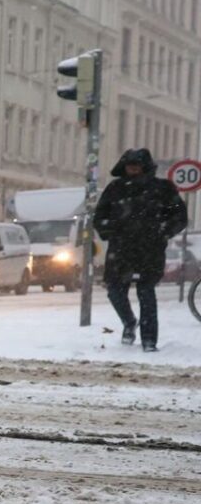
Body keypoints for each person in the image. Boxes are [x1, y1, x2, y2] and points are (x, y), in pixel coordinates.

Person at [92, 147, 187, 352]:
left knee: (146, 293)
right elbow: (99, 217)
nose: (133, 168)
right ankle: (129, 322)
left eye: (136, 165)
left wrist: (163, 231)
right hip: (121, 249)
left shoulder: (162, 188)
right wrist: (109, 230)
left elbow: (179, 217)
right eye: (129, 165)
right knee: (115, 291)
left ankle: (149, 340)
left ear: (145, 166)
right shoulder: (115, 188)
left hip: (149, 249)